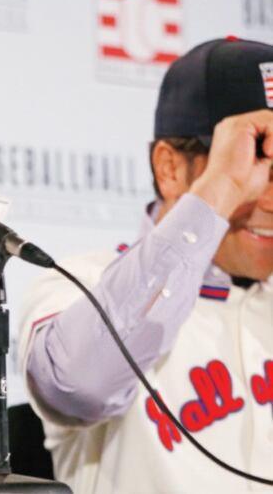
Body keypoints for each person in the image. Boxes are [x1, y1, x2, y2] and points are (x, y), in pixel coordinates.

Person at [19, 37, 273, 493]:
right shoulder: (81, 283)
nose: (270, 199)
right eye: (253, 164)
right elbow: (77, 387)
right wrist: (221, 189)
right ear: (169, 168)